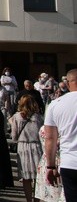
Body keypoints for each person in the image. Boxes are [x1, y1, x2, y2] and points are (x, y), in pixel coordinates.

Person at [44, 69, 77, 201]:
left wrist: (51, 166)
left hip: (69, 163)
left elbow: (50, 138)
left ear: (68, 83)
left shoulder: (55, 104)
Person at [10, 94, 45, 202]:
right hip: (36, 146)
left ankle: (28, 200)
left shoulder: (17, 116)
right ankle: (37, 200)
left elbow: (14, 136)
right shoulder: (38, 117)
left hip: (23, 147)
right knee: (37, 177)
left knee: (26, 177)